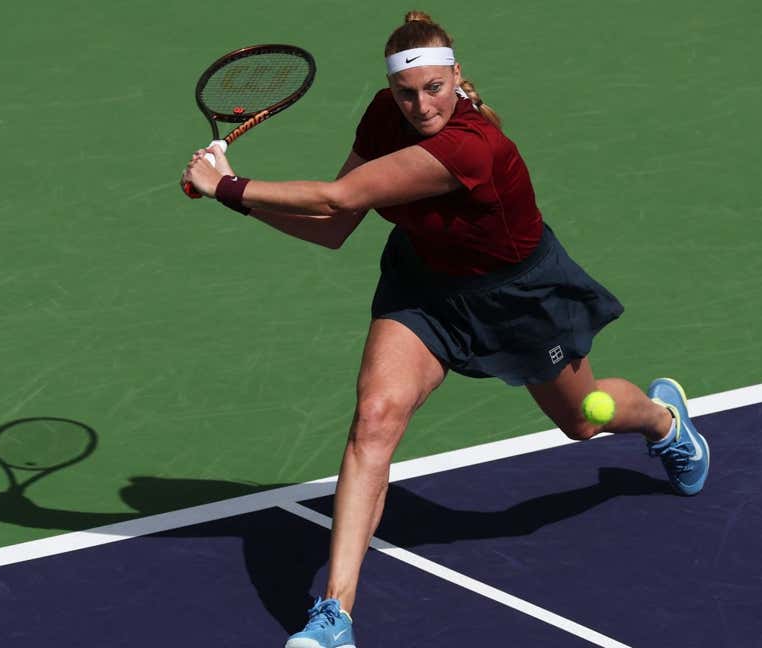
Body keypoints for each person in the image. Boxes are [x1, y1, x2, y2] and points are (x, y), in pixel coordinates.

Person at [180, 11, 710, 648]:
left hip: (517, 299)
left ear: (457, 78)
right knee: (375, 417)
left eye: (434, 88)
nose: (420, 104)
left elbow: (337, 200)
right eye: (408, 92)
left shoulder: (470, 146)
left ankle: (664, 423)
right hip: (425, 288)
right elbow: (332, 229)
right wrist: (230, 197)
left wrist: (228, 185)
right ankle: (332, 618)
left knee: (583, 420)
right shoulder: (384, 116)